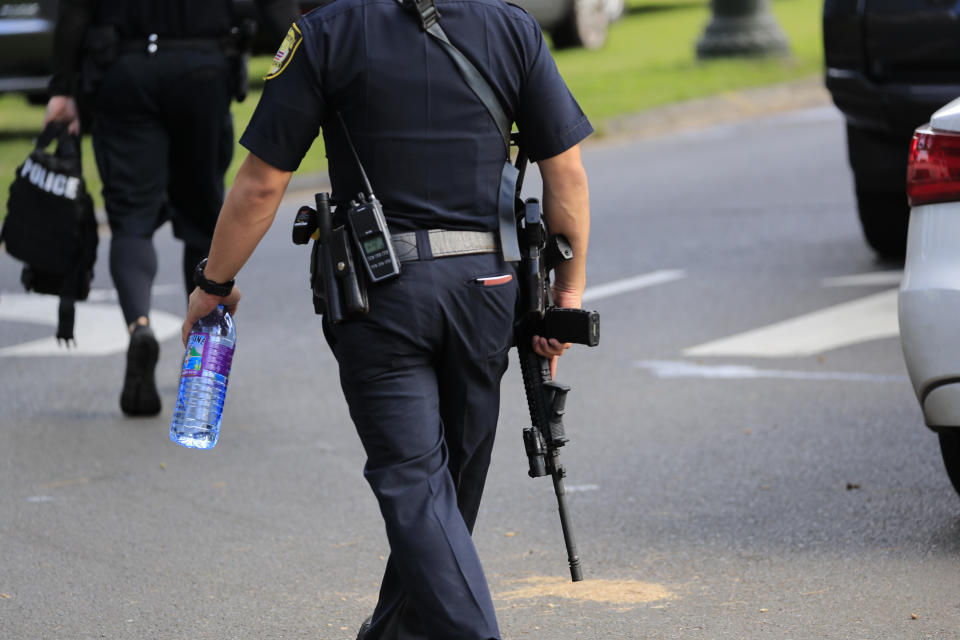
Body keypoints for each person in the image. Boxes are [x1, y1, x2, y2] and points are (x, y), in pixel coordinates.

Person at [182, 0, 592, 638]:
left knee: (419, 491)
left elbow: (263, 184)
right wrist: (565, 295)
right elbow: (565, 173)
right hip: (485, 290)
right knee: (445, 495)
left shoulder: (327, 33)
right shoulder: (511, 27)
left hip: (382, 292)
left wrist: (214, 283)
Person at [43, 0, 298, 417]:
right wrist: (309, 67)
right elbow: (275, 8)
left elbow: (75, 12)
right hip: (203, 68)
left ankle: (139, 328)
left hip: (125, 70)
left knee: (130, 220)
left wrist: (61, 89)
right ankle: (199, 360)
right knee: (201, 220)